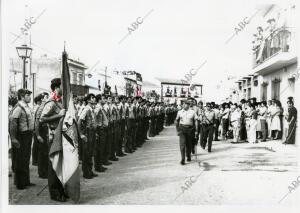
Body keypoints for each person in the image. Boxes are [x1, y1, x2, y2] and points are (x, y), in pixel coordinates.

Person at [39, 78, 68, 202]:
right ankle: (54, 192)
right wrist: (59, 115)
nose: (64, 88)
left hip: (61, 135)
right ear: (56, 87)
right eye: (62, 86)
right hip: (53, 136)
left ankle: (61, 189)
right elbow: (42, 119)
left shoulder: (61, 101)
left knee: (60, 163)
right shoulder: (51, 102)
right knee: (53, 164)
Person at [9, 89, 35, 190]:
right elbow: (13, 123)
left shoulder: (26, 106)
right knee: (20, 160)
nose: (29, 97)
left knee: (26, 159)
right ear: (22, 96)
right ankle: (20, 183)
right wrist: (14, 138)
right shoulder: (19, 108)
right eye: (28, 95)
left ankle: (26, 181)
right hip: (21, 136)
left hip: (27, 135)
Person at [78, 94, 98, 179]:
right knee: (86, 153)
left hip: (92, 132)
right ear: (89, 100)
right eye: (93, 98)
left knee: (90, 152)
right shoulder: (86, 109)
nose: (94, 99)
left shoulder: (91, 109)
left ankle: (90, 170)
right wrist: (81, 134)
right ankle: (86, 172)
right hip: (87, 133)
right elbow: (79, 122)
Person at [175, 100, 198, 165]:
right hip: (182, 129)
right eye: (183, 104)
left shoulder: (193, 112)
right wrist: (177, 130)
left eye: (186, 104)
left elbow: (196, 121)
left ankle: (188, 155)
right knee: (182, 144)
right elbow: (176, 121)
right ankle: (182, 159)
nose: (184, 105)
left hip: (190, 129)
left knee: (189, 144)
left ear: (188, 105)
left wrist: (196, 130)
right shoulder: (179, 112)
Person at [34, 92, 50, 178]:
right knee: (42, 153)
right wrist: (38, 135)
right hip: (42, 132)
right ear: (42, 99)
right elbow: (37, 122)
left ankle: (45, 171)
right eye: (46, 97)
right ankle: (42, 172)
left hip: (45, 131)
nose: (48, 98)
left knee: (45, 152)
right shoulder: (41, 108)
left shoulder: (45, 106)